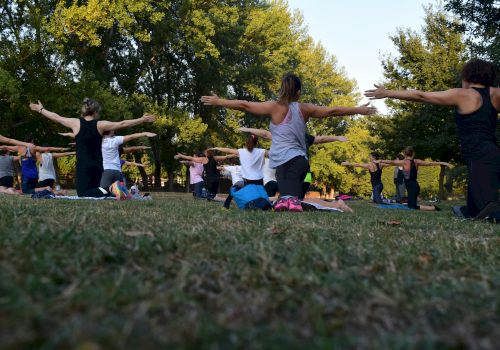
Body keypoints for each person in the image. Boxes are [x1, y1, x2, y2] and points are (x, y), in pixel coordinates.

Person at [202, 74, 376, 212]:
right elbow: (333, 110)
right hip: (290, 163)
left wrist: (220, 102)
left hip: (292, 163)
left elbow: (245, 105)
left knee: (292, 202)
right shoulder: (304, 108)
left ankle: (337, 205)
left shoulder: (274, 107)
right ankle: (334, 205)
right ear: (298, 93)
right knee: (287, 201)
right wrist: (358, 110)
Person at [365, 59, 499, 220]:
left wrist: (388, 93)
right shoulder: (496, 94)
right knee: (472, 210)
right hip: (491, 153)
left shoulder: (464, 94)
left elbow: (421, 96)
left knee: (489, 211)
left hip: (479, 157)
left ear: (468, 76)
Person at [29, 98, 156, 198]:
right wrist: (141, 119)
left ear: (83, 111)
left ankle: (112, 188)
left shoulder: (75, 123)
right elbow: (122, 124)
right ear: (95, 112)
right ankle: (124, 191)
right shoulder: (101, 125)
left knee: (83, 193)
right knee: (96, 192)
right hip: (98, 166)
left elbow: (56, 117)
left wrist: (41, 109)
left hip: (84, 166)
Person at [239, 127, 348, 199]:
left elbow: (322, 139)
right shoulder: (294, 136)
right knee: (295, 191)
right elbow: (266, 134)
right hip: (298, 169)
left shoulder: (298, 136)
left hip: (298, 170)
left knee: (300, 187)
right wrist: (248, 129)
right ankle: (292, 200)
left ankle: (294, 200)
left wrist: (337, 138)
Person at [378, 147, 452, 211]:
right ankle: (430, 207)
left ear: (404, 154)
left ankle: (432, 208)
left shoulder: (404, 162)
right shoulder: (416, 161)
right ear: (413, 153)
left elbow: (391, 162)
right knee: (410, 205)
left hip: (412, 187)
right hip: (414, 186)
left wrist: (380, 161)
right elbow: (430, 163)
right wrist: (444, 163)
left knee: (412, 206)